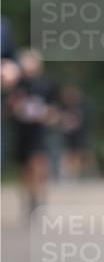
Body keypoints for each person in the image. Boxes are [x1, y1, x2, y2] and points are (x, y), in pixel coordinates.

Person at [8, 49, 60, 216]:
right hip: (22, 131)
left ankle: (39, 198)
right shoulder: (16, 84)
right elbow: (9, 108)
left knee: (38, 164)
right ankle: (29, 199)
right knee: (25, 169)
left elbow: (55, 111)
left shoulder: (47, 84)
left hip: (40, 131)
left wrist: (46, 113)